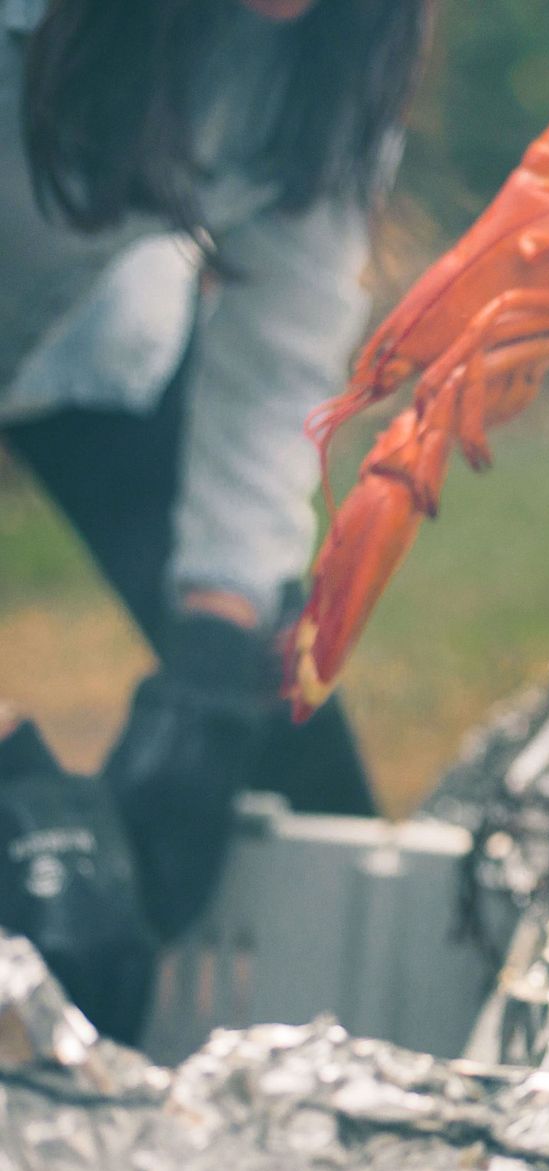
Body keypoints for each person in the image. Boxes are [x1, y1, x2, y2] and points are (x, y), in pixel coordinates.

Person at [0, 0, 433, 1031]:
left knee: (276, 719)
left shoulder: (327, 54)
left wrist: (213, 650)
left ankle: (363, 1038)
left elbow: (280, 354)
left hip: (88, 347)